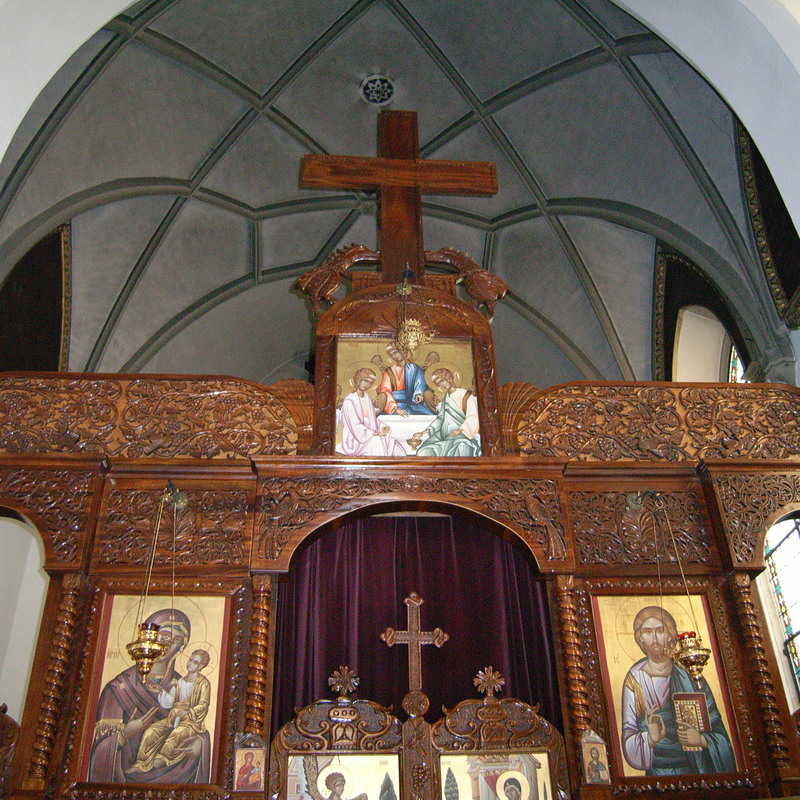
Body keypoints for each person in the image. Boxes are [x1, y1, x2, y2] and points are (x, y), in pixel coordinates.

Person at [89, 609, 210, 783]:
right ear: (148, 639)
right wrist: (125, 733)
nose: (168, 645)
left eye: (176, 640)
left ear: (181, 648)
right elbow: (99, 749)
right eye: (164, 636)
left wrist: (199, 744)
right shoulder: (119, 688)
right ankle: (143, 764)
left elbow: (197, 724)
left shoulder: (183, 683)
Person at [621, 606, 735, 775]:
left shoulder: (691, 674)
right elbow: (629, 732)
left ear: (670, 635)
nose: (654, 638)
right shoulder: (634, 680)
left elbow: (717, 728)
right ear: (640, 638)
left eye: (660, 630)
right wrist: (649, 738)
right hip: (658, 774)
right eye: (647, 631)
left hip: (697, 770)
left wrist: (702, 740)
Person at [128, 649, 211, 774]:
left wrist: (187, 713)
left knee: (176, 734)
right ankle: (141, 763)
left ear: (201, 666)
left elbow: (203, 705)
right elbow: (171, 702)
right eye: (190, 660)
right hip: (172, 717)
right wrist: (161, 691)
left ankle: (163, 759)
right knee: (152, 730)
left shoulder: (203, 683)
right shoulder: (180, 681)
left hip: (190, 722)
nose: (190, 664)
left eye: (195, 662)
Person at [409, 368, 481, 456]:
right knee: (423, 452)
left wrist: (461, 430)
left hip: (461, 436)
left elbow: (473, 416)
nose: (441, 385)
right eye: (438, 384)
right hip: (443, 436)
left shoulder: (466, 396)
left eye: (442, 381)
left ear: (449, 378)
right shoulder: (445, 399)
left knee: (463, 447)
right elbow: (440, 419)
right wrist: (424, 432)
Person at [339, 367, 407, 456]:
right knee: (377, 441)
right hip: (356, 439)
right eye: (365, 381)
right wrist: (373, 433)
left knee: (392, 443)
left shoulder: (367, 398)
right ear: (358, 379)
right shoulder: (349, 401)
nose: (367, 385)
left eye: (370, 383)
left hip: (370, 433)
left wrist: (383, 427)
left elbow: (371, 420)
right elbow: (355, 425)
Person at [374, 344, 435, 416]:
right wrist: (395, 409)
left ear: (403, 351)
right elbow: (386, 391)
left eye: (395, 352)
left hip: (414, 404)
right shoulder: (389, 371)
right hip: (395, 405)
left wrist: (418, 393)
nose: (394, 356)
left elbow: (420, 382)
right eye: (391, 355)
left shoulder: (415, 368)